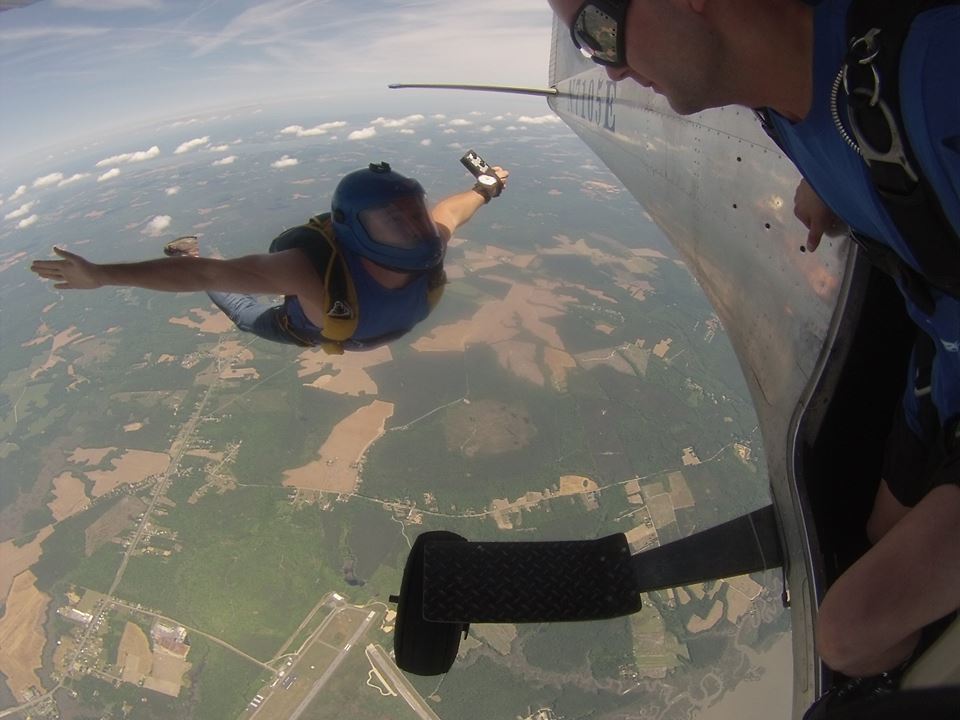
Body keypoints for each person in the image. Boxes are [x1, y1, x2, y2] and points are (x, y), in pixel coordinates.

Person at [549, 0, 960, 709]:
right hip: (941, 377)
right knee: (870, 540)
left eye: (598, 30)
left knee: (850, 633)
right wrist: (837, 185)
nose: (610, 69)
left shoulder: (935, 76)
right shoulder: (798, 103)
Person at [31, 161, 509, 352]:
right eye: (391, 220)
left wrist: (485, 188)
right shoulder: (310, 272)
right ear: (354, 230)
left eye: (412, 215)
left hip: (358, 329)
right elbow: (201, 272)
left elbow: (450, 210)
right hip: (302, 326)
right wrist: (102, 275)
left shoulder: (432, 241)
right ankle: (185, 239)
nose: (413, 228)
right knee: (244, 312)